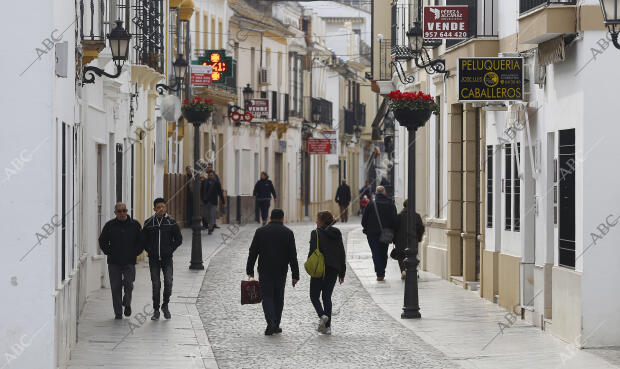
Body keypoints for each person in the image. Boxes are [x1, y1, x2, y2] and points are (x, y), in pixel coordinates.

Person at [246, 209, 299, 336]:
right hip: (281, 270)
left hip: (265, 269)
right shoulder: (288, 233)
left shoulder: (260, 232)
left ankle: (271, 322)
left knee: (267, 296)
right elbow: (293, 255)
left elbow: (253, 252)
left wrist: (250, 269)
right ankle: (276, 324)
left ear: (270, 217)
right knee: (278, 297)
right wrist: (295, 275)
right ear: (282, 218)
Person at [98, 203, 144, 319]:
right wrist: (110, 252)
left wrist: (136, 252)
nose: (122, 213)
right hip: (114, 262)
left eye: (124, 210)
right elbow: (102, 241)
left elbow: (141, 241)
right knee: (115, 287)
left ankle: (127, 303)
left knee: (129, 283)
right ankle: (118, 313)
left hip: (129, 261)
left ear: (127, 211)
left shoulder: (135, 225)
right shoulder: (109, 226)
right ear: (115, 213)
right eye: (120, 211)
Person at [143, 198, 183, 320]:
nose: (161, 209)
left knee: (168, 282)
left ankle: (165, 305)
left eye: (163, 207)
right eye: (158, 207)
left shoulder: (171, 222)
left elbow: (178, 239)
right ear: (154, 209)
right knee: (156, 284)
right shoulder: (149, 223)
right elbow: (143, 239)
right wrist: (150, 250)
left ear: (166, 208)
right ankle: (156, 310)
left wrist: (170, 250)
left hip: (167, 259)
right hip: (154, 259)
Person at [308, 211, 346, 335]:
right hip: (333, 269)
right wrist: (342, 272)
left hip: (319, 269)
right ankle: (328, 327)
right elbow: (341, 252)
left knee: (314, 296)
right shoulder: (337, 233)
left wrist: (310, 266)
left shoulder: (316, 233)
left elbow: (312, 252)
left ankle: (322, 316)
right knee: (326, 296)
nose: (316, 221)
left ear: (322, 221)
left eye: (317, 219)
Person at [361, 186, 398, 281]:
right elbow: (394, 220)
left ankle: (379, 273)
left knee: (375, 252)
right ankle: (382, 271)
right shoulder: (390, 203)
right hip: (386, 233)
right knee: (383, 252)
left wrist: (367, 228)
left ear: (376, 193)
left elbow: (364, 220)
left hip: (372, 233)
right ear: (384, 192)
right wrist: (393, 230)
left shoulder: (371, 203)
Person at [393, 199, 425, 280]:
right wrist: (418, 238)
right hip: (413, 240)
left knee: (401, 256)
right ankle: (412, 271)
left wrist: (394, 240)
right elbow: (421, 228)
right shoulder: (417, 216)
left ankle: (403, 270)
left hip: (400, 241)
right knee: (412, 256)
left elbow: (394, 229)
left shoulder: (399, 216)